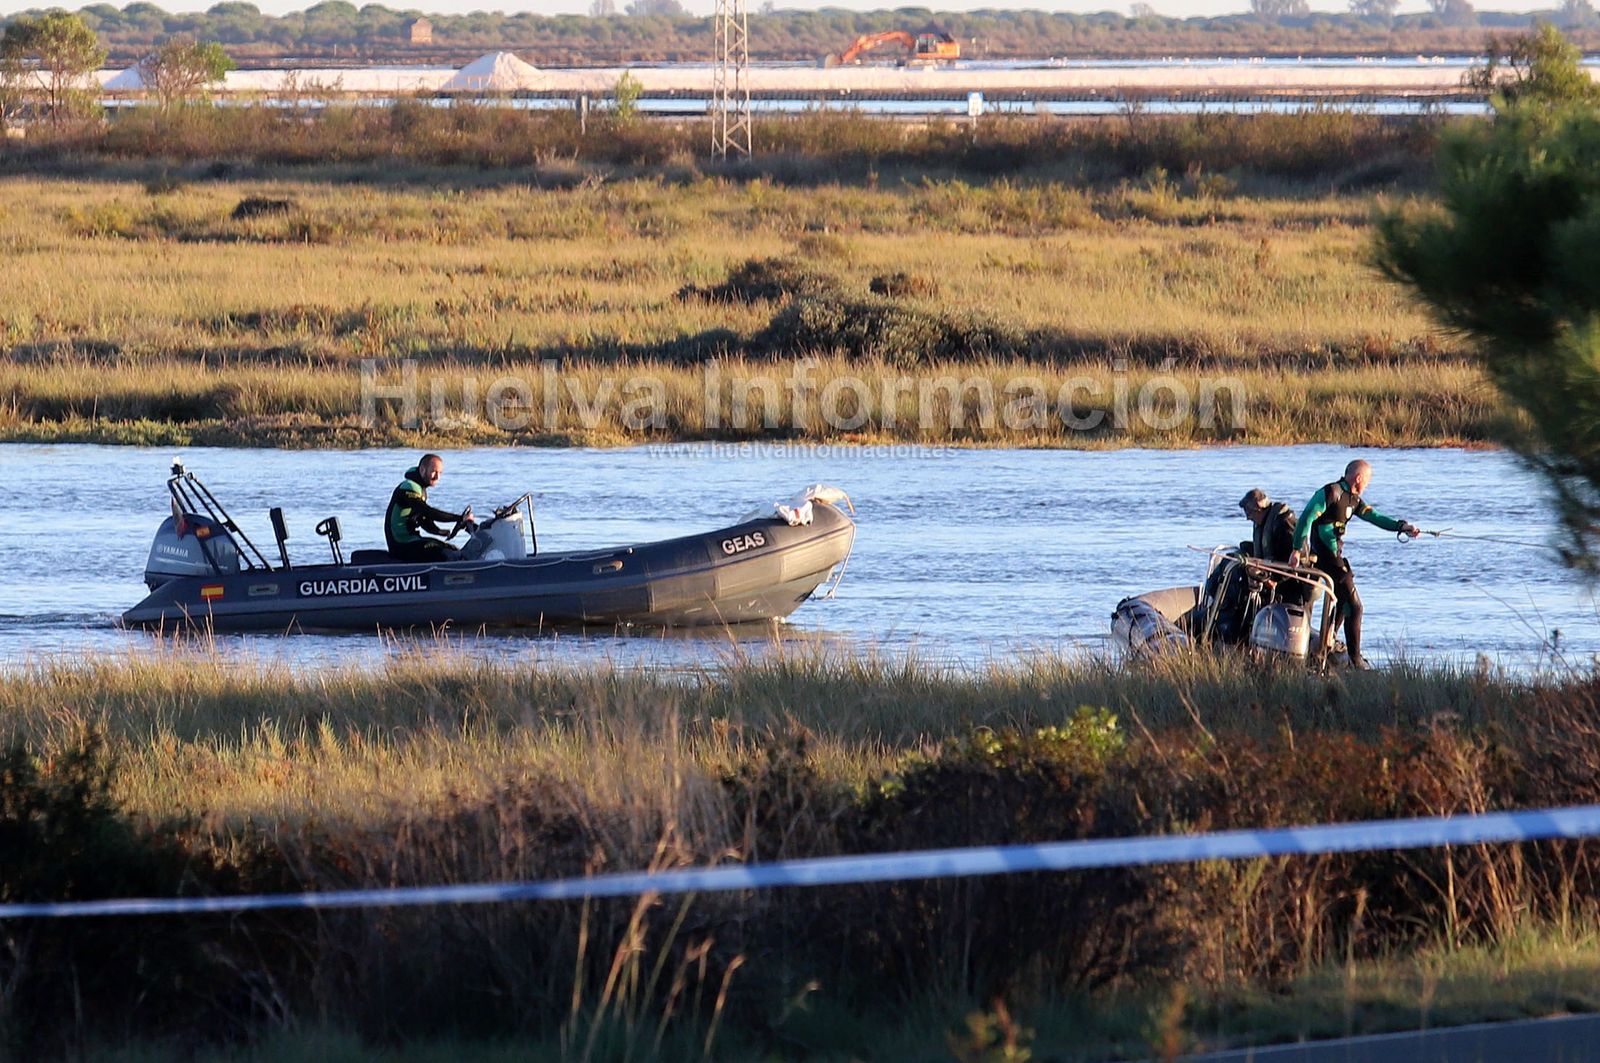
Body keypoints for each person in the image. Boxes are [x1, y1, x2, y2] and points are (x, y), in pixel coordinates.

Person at [1288, 459, 1420, 671]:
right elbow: (1306, 518)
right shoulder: (1331, 492)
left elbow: (1375, 517)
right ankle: (1355, 660)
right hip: (1325, 555)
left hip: (1335, 556)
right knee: (1356, 607)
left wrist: (1401, 526)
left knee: (1343, 603)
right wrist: (1296, 549)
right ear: (1358, 478)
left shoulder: (1354, 500)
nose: (1368, 484)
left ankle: (1325, 644)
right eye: (1367, 480)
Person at [384, 453, 474, 563]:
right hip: (401, 545)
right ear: (422, 469)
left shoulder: (419, 489)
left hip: (410, 541)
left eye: (440, 473)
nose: (437, 477)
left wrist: (438, 531)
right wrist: (459, 518)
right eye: (434, 472)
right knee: (446, 553)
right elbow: (427, 511)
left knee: (452, 549)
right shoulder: (408, 487)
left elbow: (422, 518)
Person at [1238, 488, 1297, 564]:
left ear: (1259, 508)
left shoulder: (1283, 521)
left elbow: (1290, 554)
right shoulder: (1261, 522)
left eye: (1249, 513)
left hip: (1283, 570)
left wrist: (1262, 568)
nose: (1248, 518)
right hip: (1265, 566)